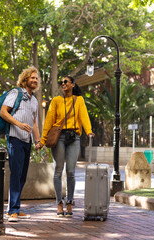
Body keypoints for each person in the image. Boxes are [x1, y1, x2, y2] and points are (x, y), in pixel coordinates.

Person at [36, 76, 94, 217]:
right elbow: (49, 121)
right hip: (59, 137)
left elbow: (84, 116)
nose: (63, 84)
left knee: (71, 171)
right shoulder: (56, 101)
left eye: (65, 82)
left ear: (72, 85)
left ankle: (69, 202)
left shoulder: (78, 100)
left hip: (74, 137)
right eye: (61, 82)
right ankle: (59, 203)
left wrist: (89, 131)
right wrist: (43, 140)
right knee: (58, 170)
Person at [0, 66, 41, 222]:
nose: (35, 80)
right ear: (25, 79)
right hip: (15, 138)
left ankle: (15, 208)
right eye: (32, 77)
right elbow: (3, 112)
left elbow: (34, 122)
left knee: (22, 175)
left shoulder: (35, 100)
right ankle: (12, 211)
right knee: (16, 174)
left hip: (27, 141)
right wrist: (18, 124)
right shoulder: (15, 93)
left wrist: (37, 140)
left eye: (36, 78)